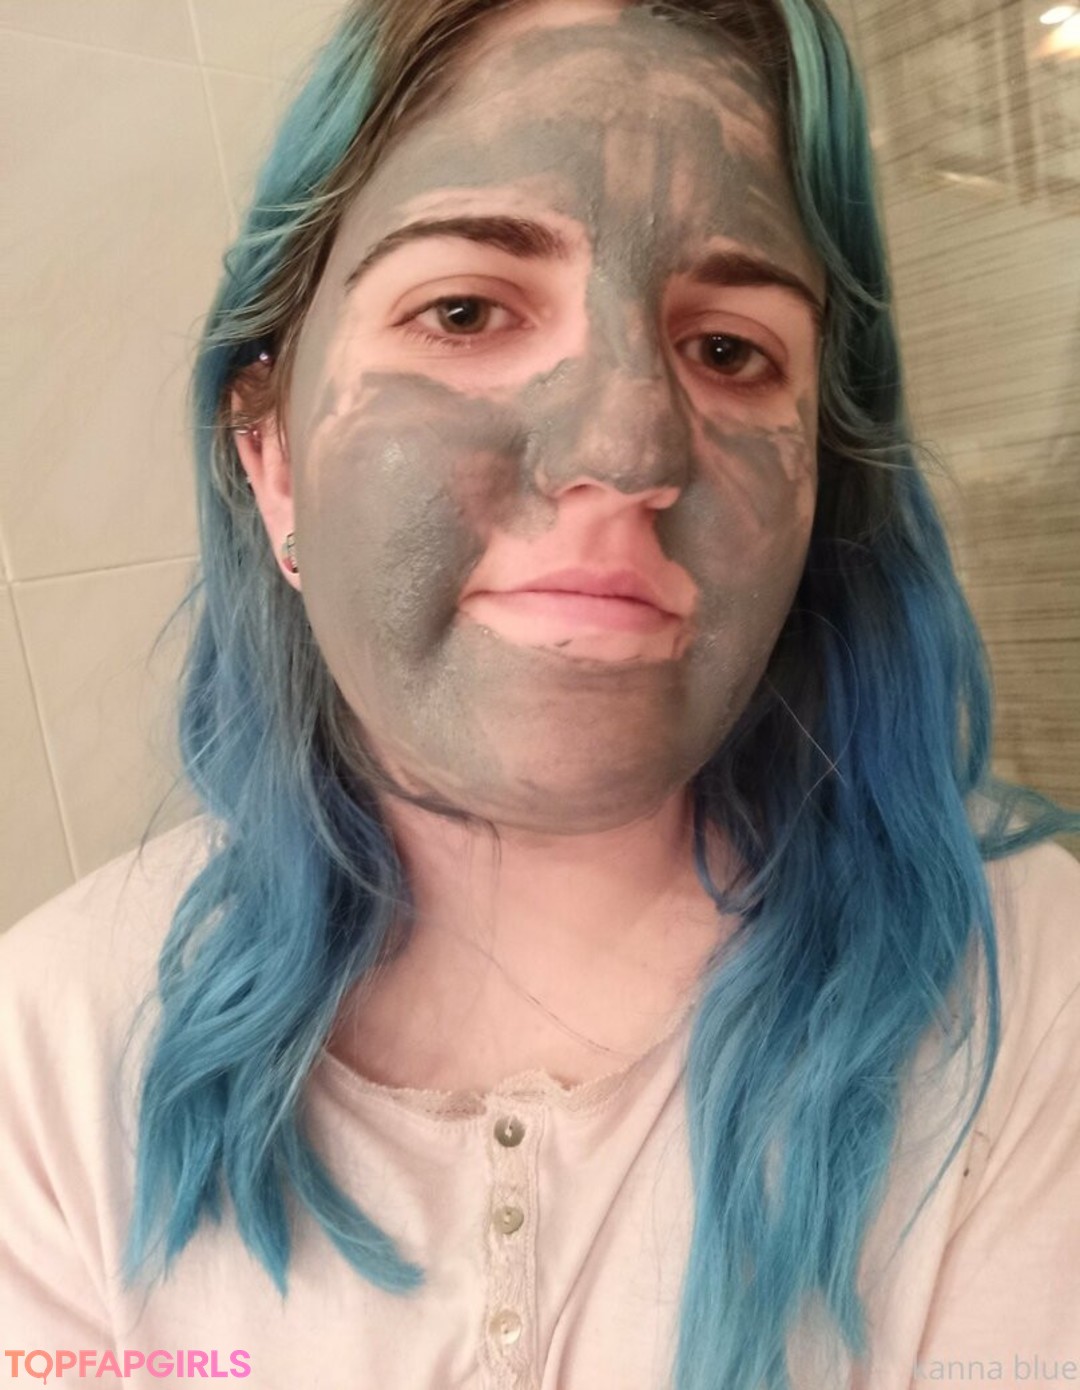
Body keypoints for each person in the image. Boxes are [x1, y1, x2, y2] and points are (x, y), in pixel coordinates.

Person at [2, 0, 1078, 1387]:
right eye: (464, 311)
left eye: (730, 348)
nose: (626, 443)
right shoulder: (50, 1053)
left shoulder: (1031, 994)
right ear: (272, 458)